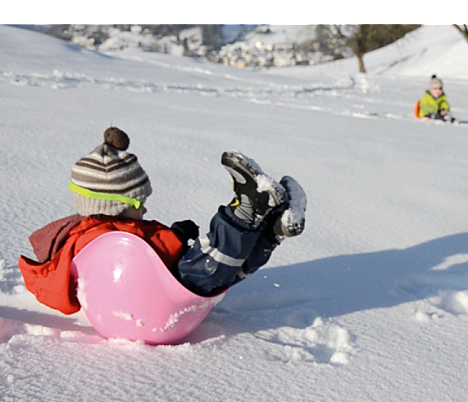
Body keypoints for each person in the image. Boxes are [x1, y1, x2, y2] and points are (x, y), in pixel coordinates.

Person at [19, 128, 307, 316]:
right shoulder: (101, 237)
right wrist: (175, 239)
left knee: (228, 267)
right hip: (149, 313)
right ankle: (247, 210)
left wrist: (172, 236)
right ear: (113, 206)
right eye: (139, 203)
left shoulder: (96, 231)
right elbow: (142, 261)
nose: (144, 210)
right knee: (202, 267)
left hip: (143, 308)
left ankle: (270, 229)